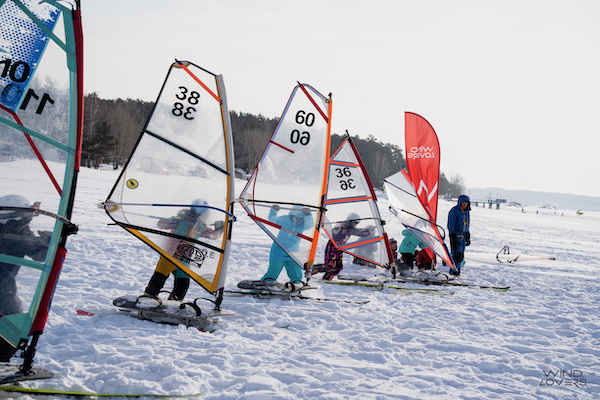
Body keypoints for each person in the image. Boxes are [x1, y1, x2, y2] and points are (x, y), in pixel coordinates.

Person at [0, 194, 51, 362]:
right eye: (26, 219)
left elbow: (40, 255)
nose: (28, 224)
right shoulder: (16, 235)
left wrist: (49, 242)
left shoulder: (21, 236)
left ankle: (3, 359)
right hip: (4, 291)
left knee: (10, 332)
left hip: (4, 291)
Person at [144, 199, 224, 301]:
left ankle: (175, 300)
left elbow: (212, 235)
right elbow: (161, 224)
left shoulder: (200, 225)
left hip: (185, 258)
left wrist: (220, 229)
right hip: (170, 255)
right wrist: (172, 222)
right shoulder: (181, 217)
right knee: (159, 278)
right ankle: (149, 296)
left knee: (183, 284)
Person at [259, 204, 314, 286]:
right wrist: (274, 211)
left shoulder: (304, 224)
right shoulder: (285, 219)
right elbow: (272, 220)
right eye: (297, 216)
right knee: (272, 275)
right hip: (278, 252)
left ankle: (296, 287)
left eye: (301, 217)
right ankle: (260, 287)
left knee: (297, 276)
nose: (299, 219)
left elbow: (310, 225)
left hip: (293, 254)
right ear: (292, 214)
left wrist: (308, 215)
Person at [313, 213, 374, 280]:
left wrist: (369, 231)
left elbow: (360, 232)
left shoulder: (351, 229)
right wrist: (337, 229)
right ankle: (311, 269)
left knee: (338, 267)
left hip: (339, 249)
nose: (356, 224)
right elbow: (333, 231)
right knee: (330, 266)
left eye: (357, 223)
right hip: (332, 247)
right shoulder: (342, 226)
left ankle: (327, 278)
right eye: (355, 222)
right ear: (351, 221)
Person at [447, 194, 471, 275]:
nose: (465, 205)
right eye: (463, 203)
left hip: (463, 236)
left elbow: (467, 223)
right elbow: (451, 224)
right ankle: (453, 271)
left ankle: (457, 271)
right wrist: (452, 236)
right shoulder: (454, 211)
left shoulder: (466, 212)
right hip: (456, 235)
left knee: (461, 256)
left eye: (466, 203)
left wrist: (467, 234)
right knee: (457, 255)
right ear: (460, 203)